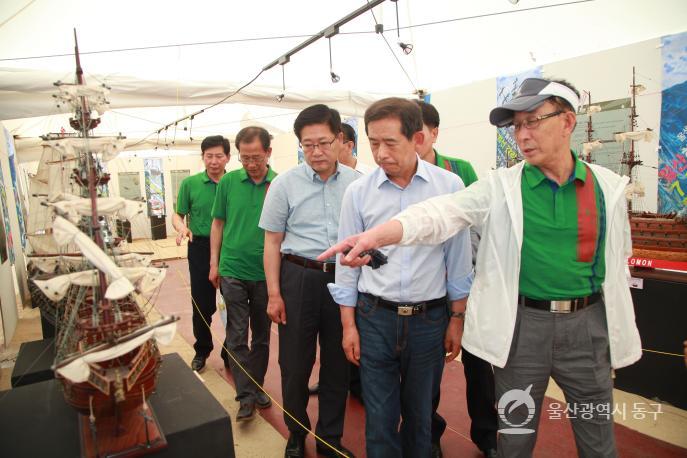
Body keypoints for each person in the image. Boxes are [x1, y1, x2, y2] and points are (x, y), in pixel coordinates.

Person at [320, 78, 642, 458]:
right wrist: (377, 236)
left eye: (533, 121)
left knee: (598, 435)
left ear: (568, 121)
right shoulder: (500, 188)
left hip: (588, 330)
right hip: (522, 332)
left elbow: (618, 259)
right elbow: (439, 214)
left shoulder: (608, 188)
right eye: (517, 125)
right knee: (515, 436)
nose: (522, 135)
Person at [328, 97, 473, 457]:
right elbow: (345, 267)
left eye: (390, 142)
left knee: (420, 416)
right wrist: (349, 325)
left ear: (418, 139)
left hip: (429, 320)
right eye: (373, 143)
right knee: (379, 418)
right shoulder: (358, 193)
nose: (380, 153)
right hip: (374, 318)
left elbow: (457, 261)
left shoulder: (449, 187)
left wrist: (456, 319)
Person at [259, 104, 359, 458]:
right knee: (295, 363)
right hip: (298, 279)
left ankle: (330, 437)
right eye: (308, 145)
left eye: (323, 143)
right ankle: (296, 433)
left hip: (344, 279)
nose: (316, 152)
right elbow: (272, 242)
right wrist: (274, 293)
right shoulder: (285, 184)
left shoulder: (357, 184)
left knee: (338, 364)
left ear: (340, 140)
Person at [415, 100, 498, 458]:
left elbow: (479, 222)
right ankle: (428, 432)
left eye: (418, 131)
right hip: (427, 288)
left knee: (480, 366)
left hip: (468, 281)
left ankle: (488, 436)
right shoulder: (393, 174)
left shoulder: (459, 170)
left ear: (433, 133)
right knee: (428, 368)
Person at [209, 126, 276, 422]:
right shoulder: (228, 182)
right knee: (236, 334)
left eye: (256, 157)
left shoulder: (280, 183)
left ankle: (256, 385)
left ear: (268, 153)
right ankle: (245, 396)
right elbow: (218, 224)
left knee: (261, 335)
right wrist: (214, 263)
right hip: (232, 269)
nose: (250, 164)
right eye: (244, 157)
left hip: (266, 274)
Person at [309, 121, 372, 401]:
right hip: (320, 270)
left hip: (354, 267)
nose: (323, 151)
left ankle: (356, 384)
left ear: (346, 144)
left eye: (329, 143)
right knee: (333, 335)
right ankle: (332, 380)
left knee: (354, 329)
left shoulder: (365, 180)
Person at [173, 135, 230, 372]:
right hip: (200, 247)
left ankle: (231, 351)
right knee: (201, 303)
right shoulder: (190, 184)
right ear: (203, 157)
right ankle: (202, 350)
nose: (214, 161)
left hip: (231, 249)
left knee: (234, 302)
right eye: (209, 156)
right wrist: (182, 227)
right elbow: (178, 214)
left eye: (219, 156)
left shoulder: (235, 182)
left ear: (228, 157)